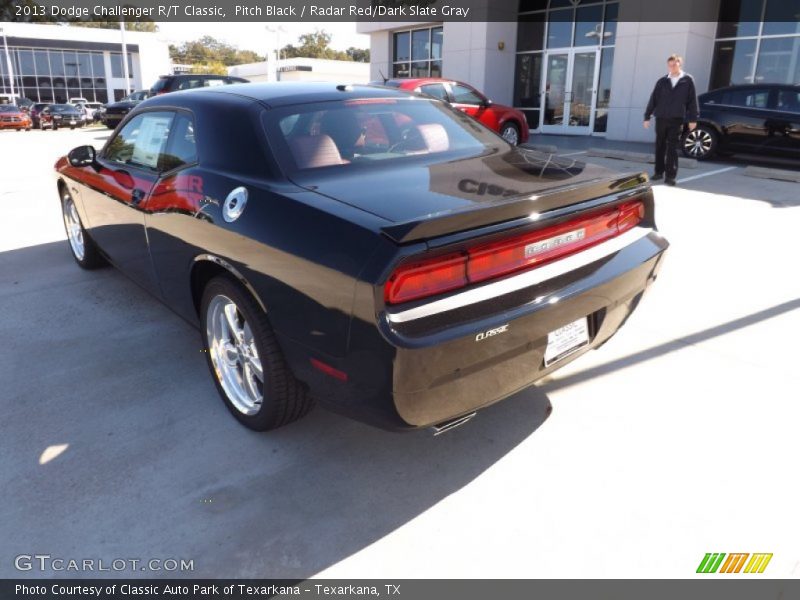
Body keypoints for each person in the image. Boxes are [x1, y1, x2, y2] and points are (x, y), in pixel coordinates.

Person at [643, 54, 699, 186]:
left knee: (672, 148)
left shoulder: (687, 80)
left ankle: (670, 176)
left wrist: (693, 119)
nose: (672, 67)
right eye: (669, 65)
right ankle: (658, 172)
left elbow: (692, 101)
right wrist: (647, 116)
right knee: (660, 146)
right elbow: (653, 99)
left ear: (680, 64)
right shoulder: (662, 81)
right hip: (661, 118)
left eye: (674, 64)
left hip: (676, 119)